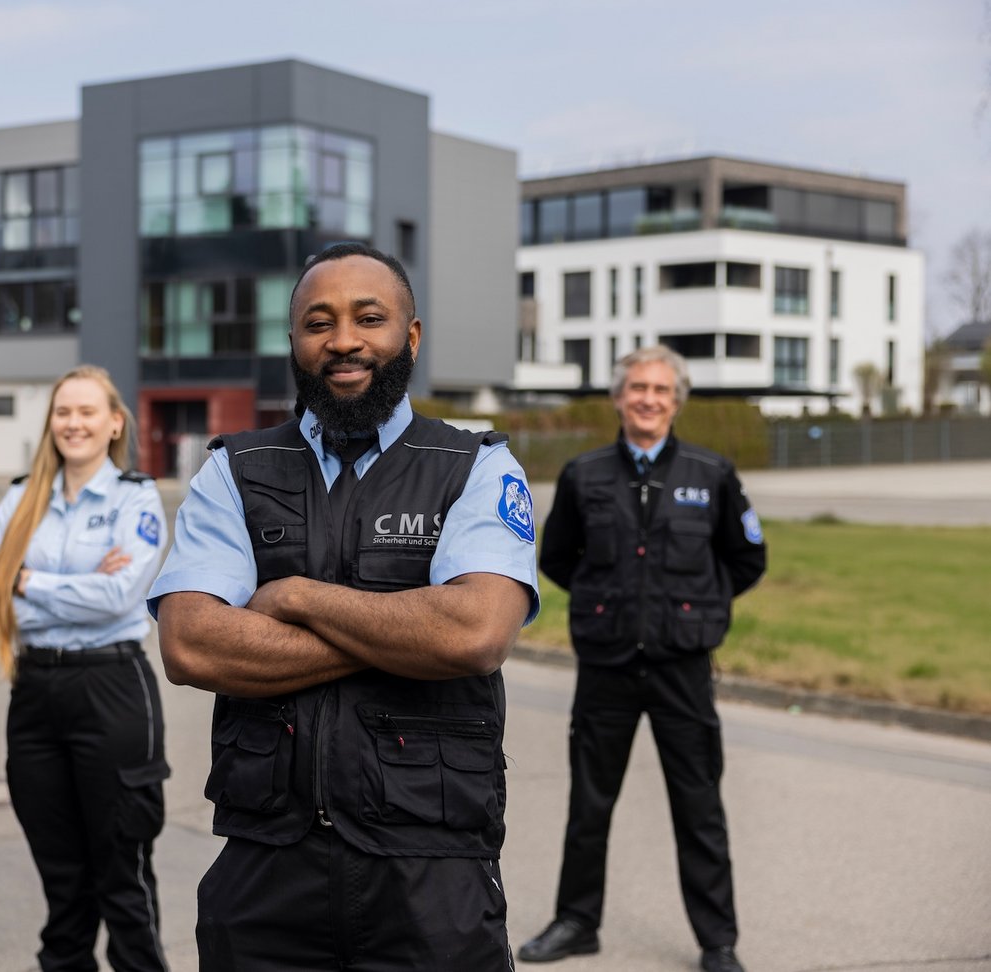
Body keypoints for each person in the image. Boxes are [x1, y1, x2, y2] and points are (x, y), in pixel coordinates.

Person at [149, 243, 539, 971]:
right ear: (294, 343)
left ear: (410, 337)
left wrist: (295, 597)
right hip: (266, 870)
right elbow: (192, 643)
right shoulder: (233, 471)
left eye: (369, 318)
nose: (344, 341)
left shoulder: (478, 467)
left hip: (432, 873)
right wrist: (405, 631)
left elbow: (475, 632)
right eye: (318, 323)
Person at [517, 346, 767, 972]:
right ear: (618, 398)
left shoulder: (713, 473)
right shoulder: (584, 475)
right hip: (607, 665)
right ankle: (577, 922)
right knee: (589, 803)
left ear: (677, 401)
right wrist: (608, 601)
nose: (648, 399)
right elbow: (557, 558)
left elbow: (746, 559)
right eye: (637, 388)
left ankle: (718, 942)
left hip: (683, 667)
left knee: (699, 806)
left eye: (660, 389)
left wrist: (692, 607)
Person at [0, 364, 171, 972]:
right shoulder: (19, 498)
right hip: (35, 690)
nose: (73, 423)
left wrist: (27, 579)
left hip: (111, 685)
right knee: (60, 871)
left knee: (121, 867)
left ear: (114, 423)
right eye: (63, 411)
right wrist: (72, 585)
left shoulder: (135, 496)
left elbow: (119, 597)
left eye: (87, 411)